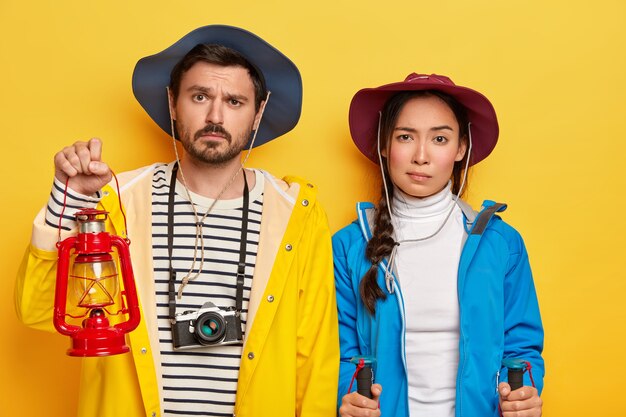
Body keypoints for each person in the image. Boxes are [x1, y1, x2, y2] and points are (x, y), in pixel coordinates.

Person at [15, 25, 339, 417]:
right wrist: (70, 199)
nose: (215, 116)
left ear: (258, 114)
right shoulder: (116, 201)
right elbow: (36, 311)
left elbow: (315, 355)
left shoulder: (295, 213)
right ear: (172, 103)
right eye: (200, 96)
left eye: (235, 101)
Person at [333, 73, 544, 417]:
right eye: (405, 137)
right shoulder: (349, 246)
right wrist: (350, 396)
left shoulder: (501, 243)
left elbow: (521, 347)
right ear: (384, 145)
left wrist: (522, 396)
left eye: (440, 139)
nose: (421, 156)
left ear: (461, 148)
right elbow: (339, 351)